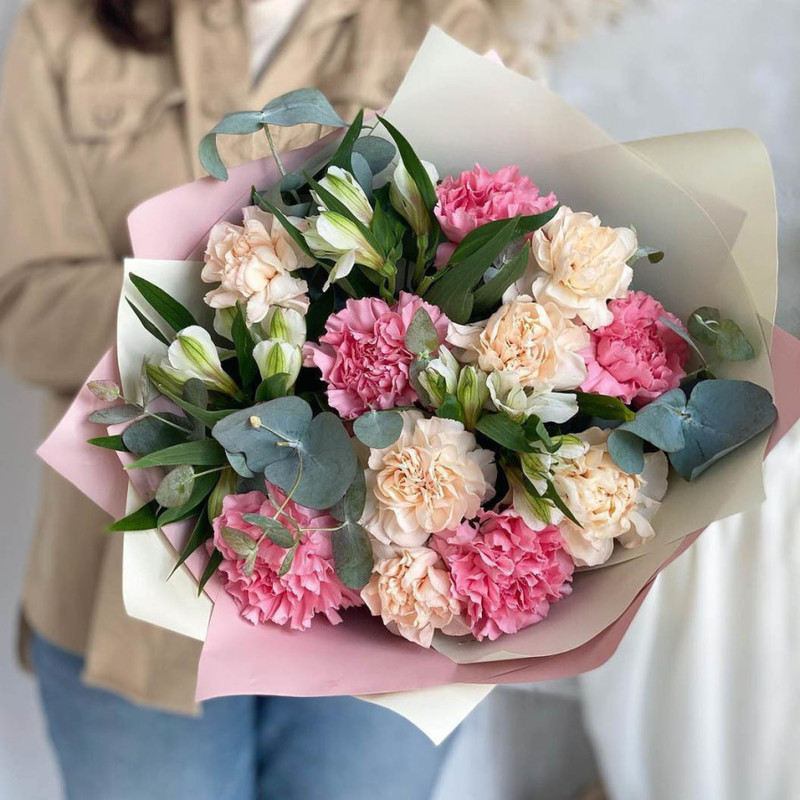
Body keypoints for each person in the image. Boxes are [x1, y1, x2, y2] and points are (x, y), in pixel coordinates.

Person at [0, 1, 523, 798]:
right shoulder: (66, 25)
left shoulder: (448, 20)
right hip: (125, 604)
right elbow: (23, 308)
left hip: (384, 601)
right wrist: (241, 292)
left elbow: (505, 284)